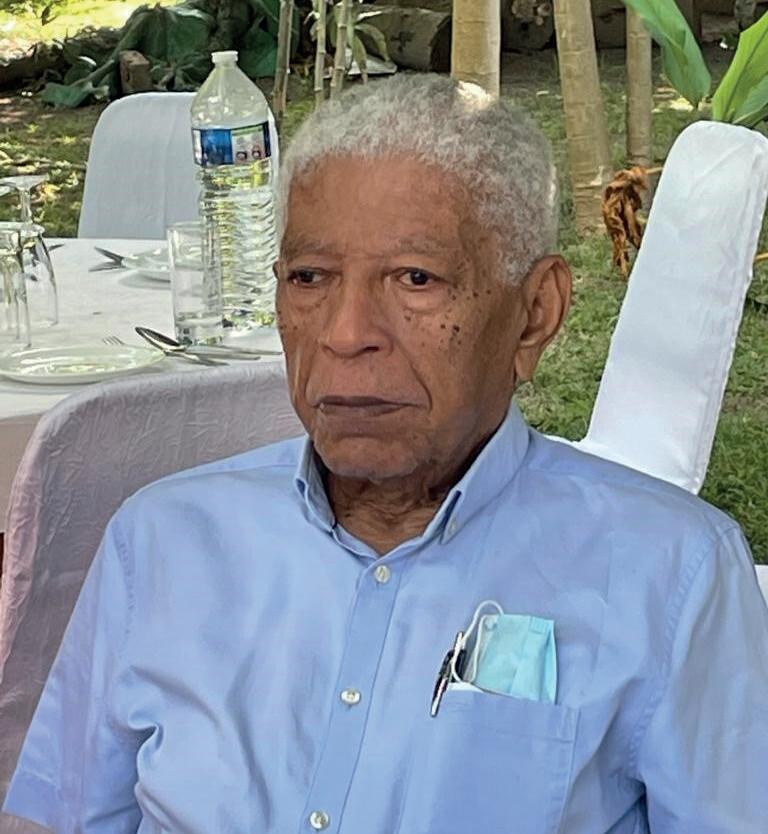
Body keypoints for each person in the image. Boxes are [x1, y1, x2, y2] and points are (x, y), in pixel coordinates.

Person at [4, 74, 768, 833]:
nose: (345, 334)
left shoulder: (669, 575)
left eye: (415, 279)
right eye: (309, 278)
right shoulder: (163, 542)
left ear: (536, 313)